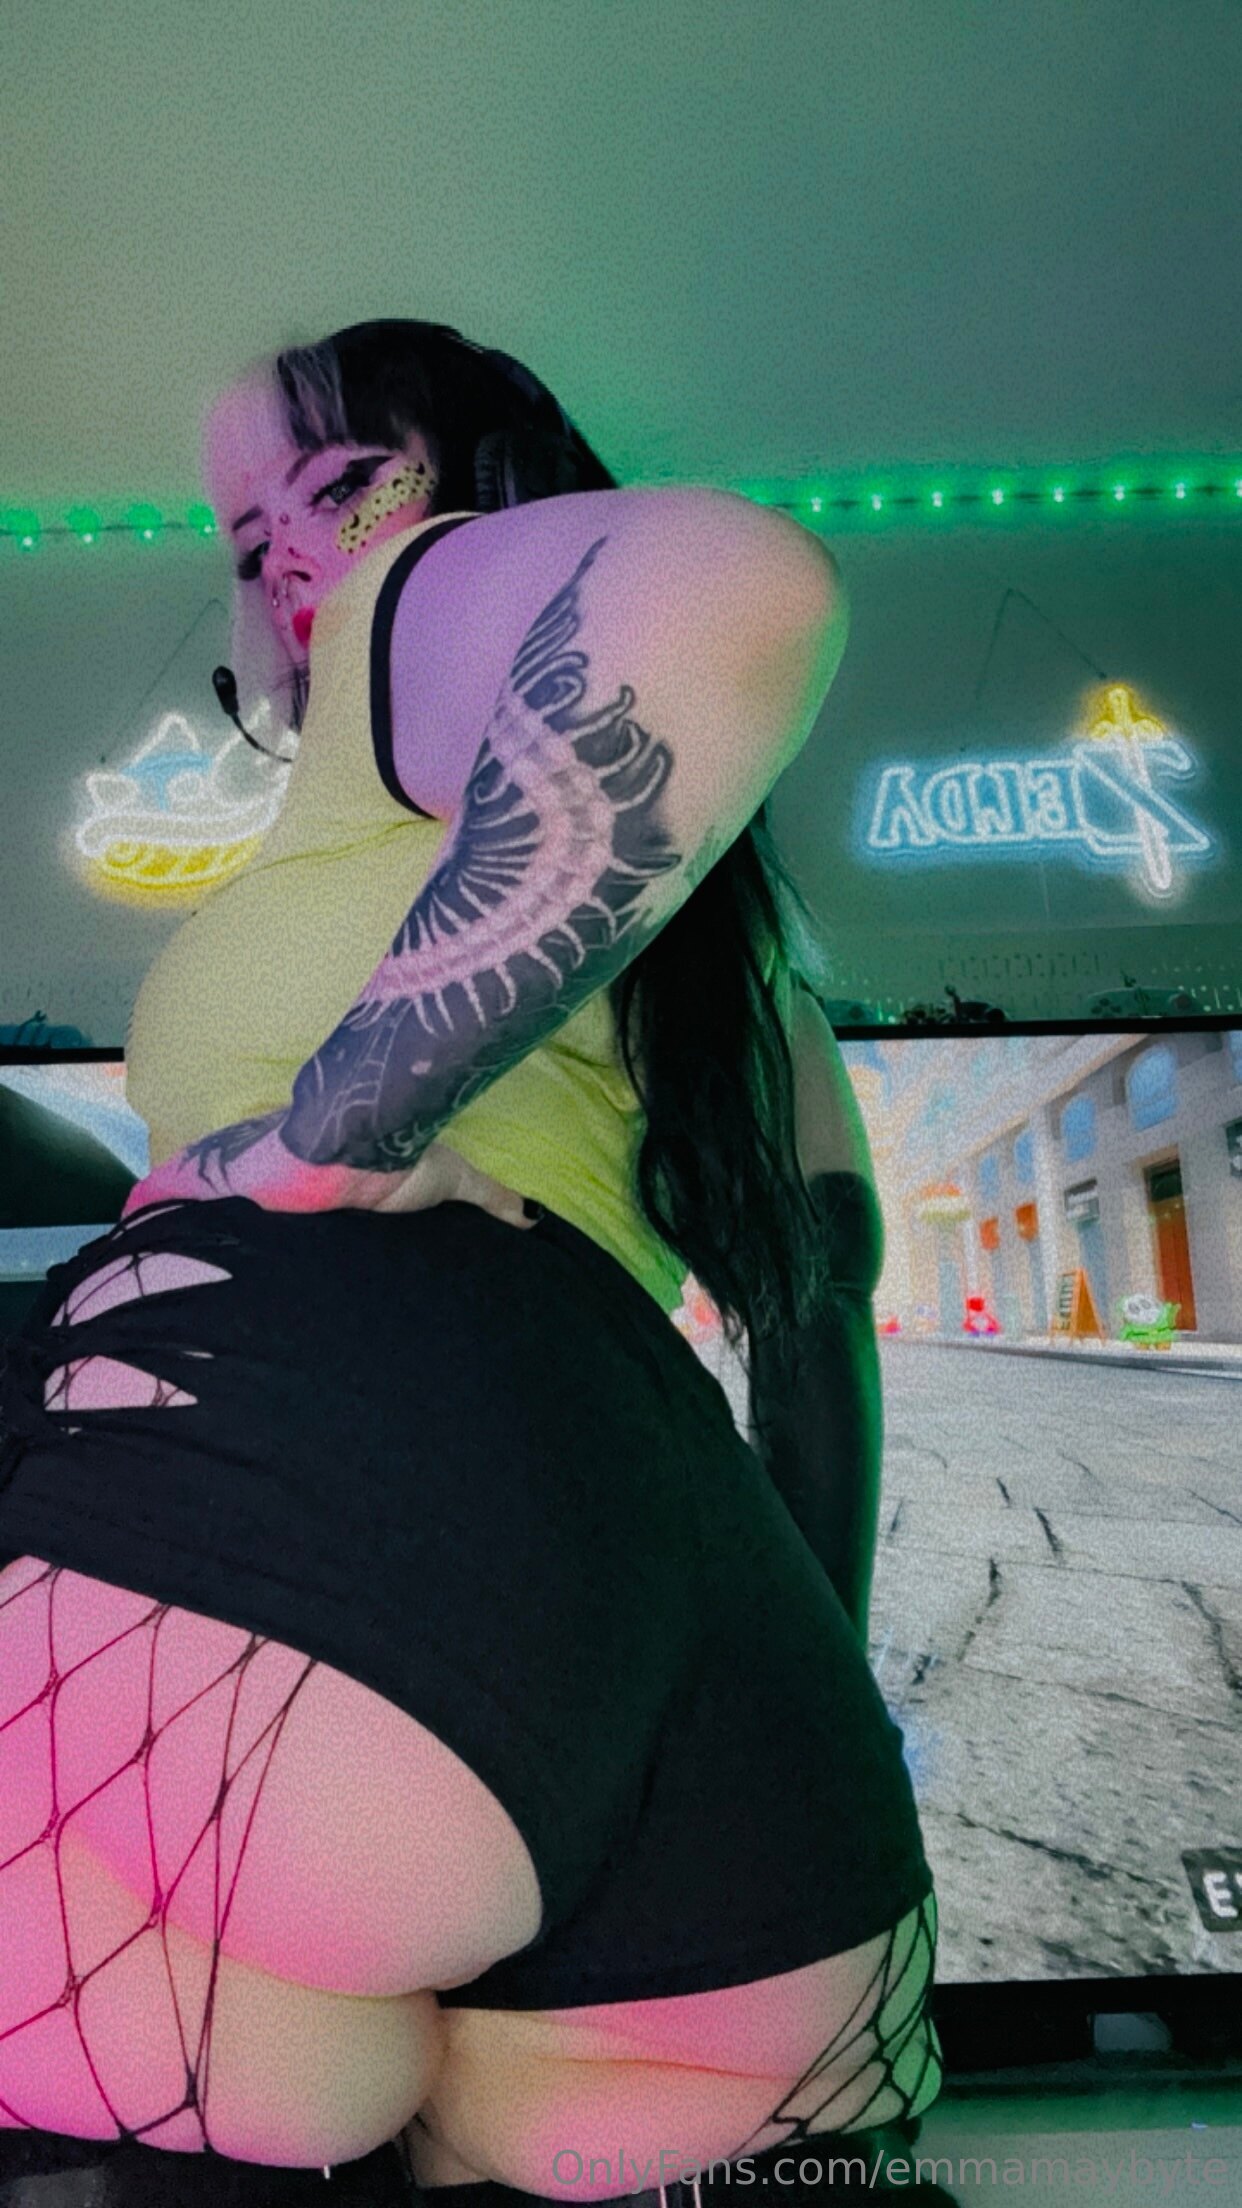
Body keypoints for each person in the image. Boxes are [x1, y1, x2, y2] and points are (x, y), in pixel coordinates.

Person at [0, 321, 945, 2205]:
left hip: (295, 1527)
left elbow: (722, 581)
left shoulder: (403, 634)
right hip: (717, 1673)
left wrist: (334, 1122)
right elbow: (816, 1332)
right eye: (247, 531)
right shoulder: (732, 958)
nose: (293, 549)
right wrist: (762, 1705)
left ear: (486, 475)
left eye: (343, 480)